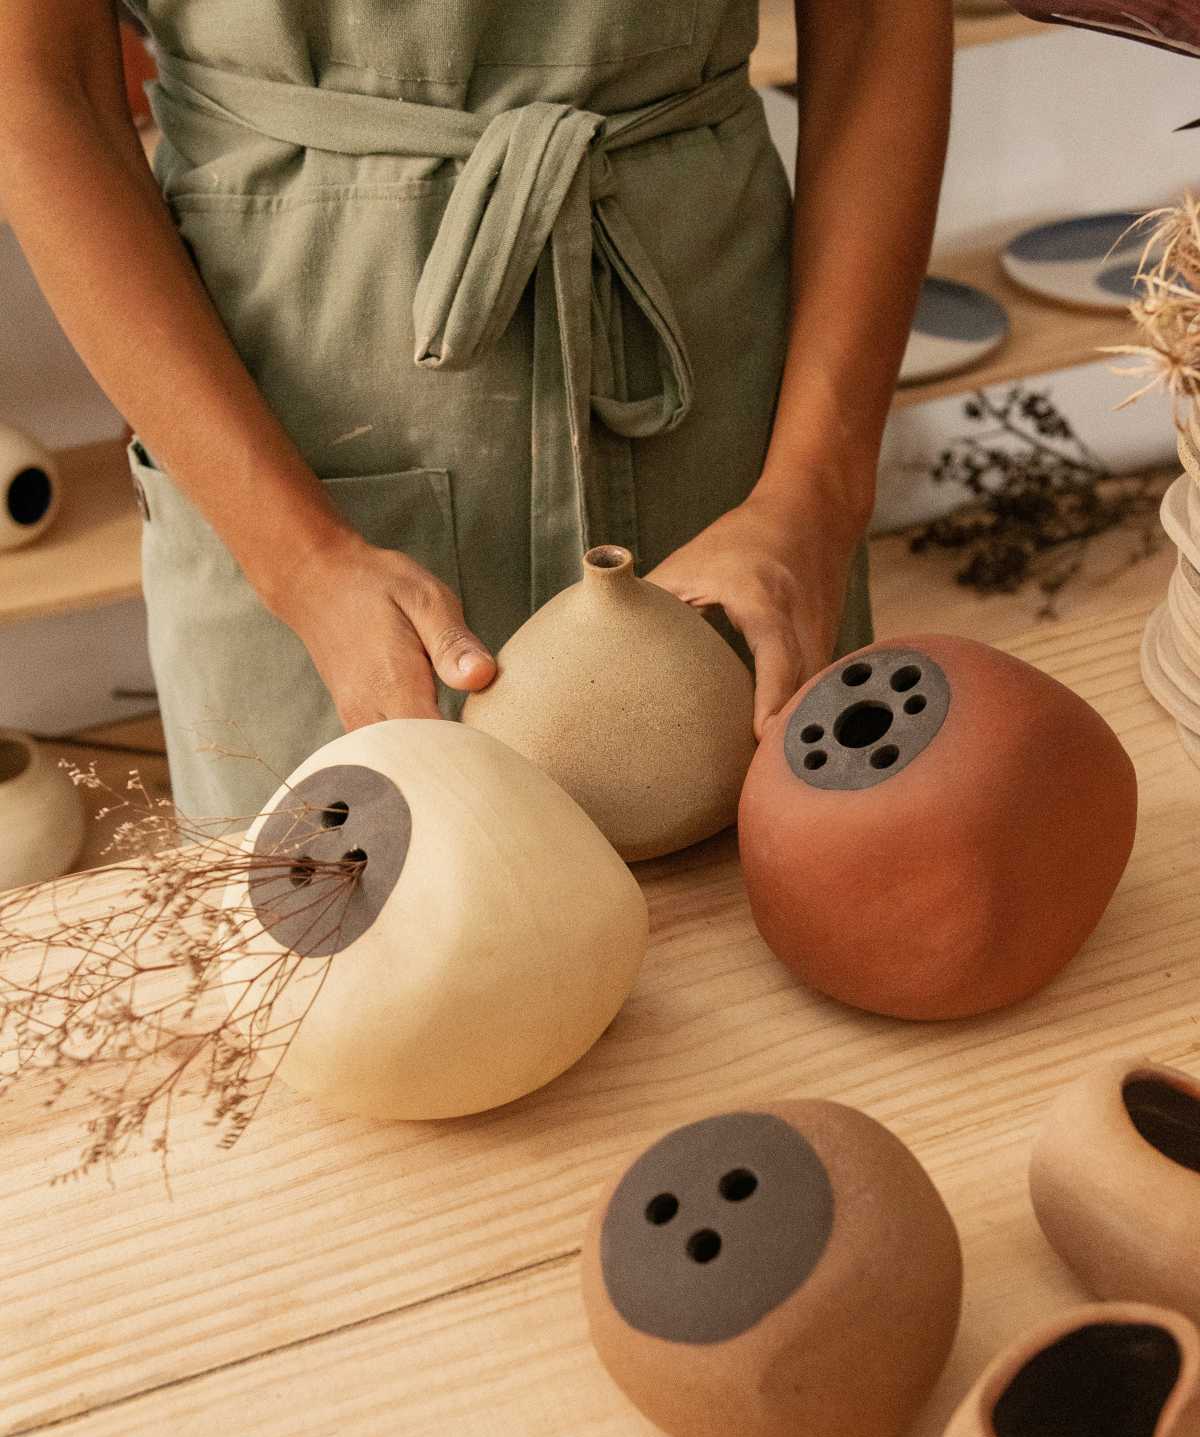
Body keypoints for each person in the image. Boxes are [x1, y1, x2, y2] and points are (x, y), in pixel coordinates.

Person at [0, 0, 952, 824]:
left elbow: (880, 25)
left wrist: (814, 495)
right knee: (350, 979)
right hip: (284, 443)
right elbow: (43, 89)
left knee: (784, 952)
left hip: (726, 423)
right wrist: (298, 559)